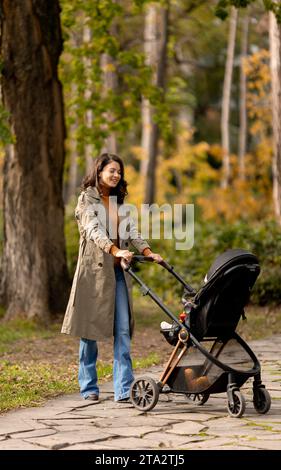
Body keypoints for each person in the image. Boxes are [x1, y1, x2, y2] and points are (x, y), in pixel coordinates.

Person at [61, 153, 163, 403]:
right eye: (111, 170)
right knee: (89, 332)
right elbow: (93, 230)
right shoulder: (86, 199)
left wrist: (148, 252)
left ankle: (124, 388)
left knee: (123, 330)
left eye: (119, 171)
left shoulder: (119, 202)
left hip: (118, 273)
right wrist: (114, 249)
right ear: (99, 172)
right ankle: (88, 387)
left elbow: (132, 231)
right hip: (94, 274)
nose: (116, 174)